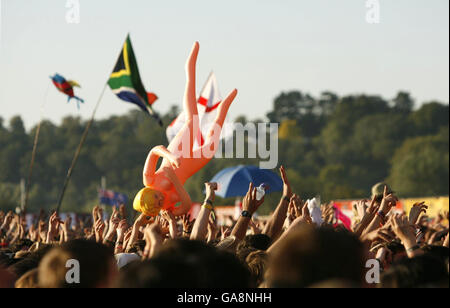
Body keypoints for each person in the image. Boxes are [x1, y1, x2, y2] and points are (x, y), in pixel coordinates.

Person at [134, 42, 238, 217]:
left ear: (149, 192)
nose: (161, 200)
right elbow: (186, 204)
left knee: (193, 120)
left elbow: (154, 151)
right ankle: (222, 110)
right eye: (159, 204)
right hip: (189, 165)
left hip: (177, 154)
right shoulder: (166, 207)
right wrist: (174, 180)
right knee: (211, 148)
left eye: (157, 197)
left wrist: (170, 156)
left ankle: (189, 68)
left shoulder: (149, 180)